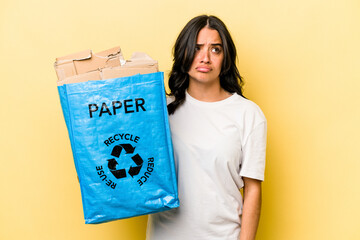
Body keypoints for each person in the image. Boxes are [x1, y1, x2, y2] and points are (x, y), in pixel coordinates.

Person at [146, 15, 267, 240]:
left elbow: (252, 190)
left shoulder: (248, 114)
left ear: (226, 57)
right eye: (197, 47)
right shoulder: (160, 111)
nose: (205, 58)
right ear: (184, 53)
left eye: (215, 49)